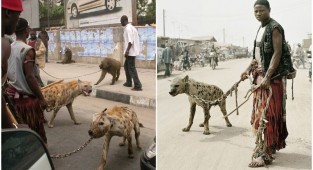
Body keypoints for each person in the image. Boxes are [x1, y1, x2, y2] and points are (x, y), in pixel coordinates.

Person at [240, 0, 288, 167]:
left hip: (270, 81)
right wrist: (247, 69)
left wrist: (267, 76)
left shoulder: (274, 28)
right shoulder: (260, 29)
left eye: (261, 10)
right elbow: (257, 56)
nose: (258, 14)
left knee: (266, 116)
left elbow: (277, 52)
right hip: (260, 78)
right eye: (256, 11)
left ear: (269, 10)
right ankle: (268, 146)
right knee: (261, 116)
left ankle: (266, 154)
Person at [5, 18, 48, 144]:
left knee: (19, 132)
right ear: (26, 30)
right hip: (26, 102)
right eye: (29, 28)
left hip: (12, 99)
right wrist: (41, 98)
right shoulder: (28, 50)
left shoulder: (9, 47)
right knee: (33, 132)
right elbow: (30, 77)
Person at [2, 0, 24, 128]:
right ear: (8, 13)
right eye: (18, 14)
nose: (18, 19)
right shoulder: (4, 44)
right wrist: (11, 129)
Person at [120, 15, 142, 91]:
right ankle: (129, 82)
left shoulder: (128, 29)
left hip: (130, 52)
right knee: (126, 66)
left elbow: (130, 41)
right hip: (131, 52)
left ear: (124, 20)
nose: (120, 23)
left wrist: (127, 51)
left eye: (121, 21)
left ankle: (138, 85)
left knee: (132, 69)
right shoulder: (131, 27)